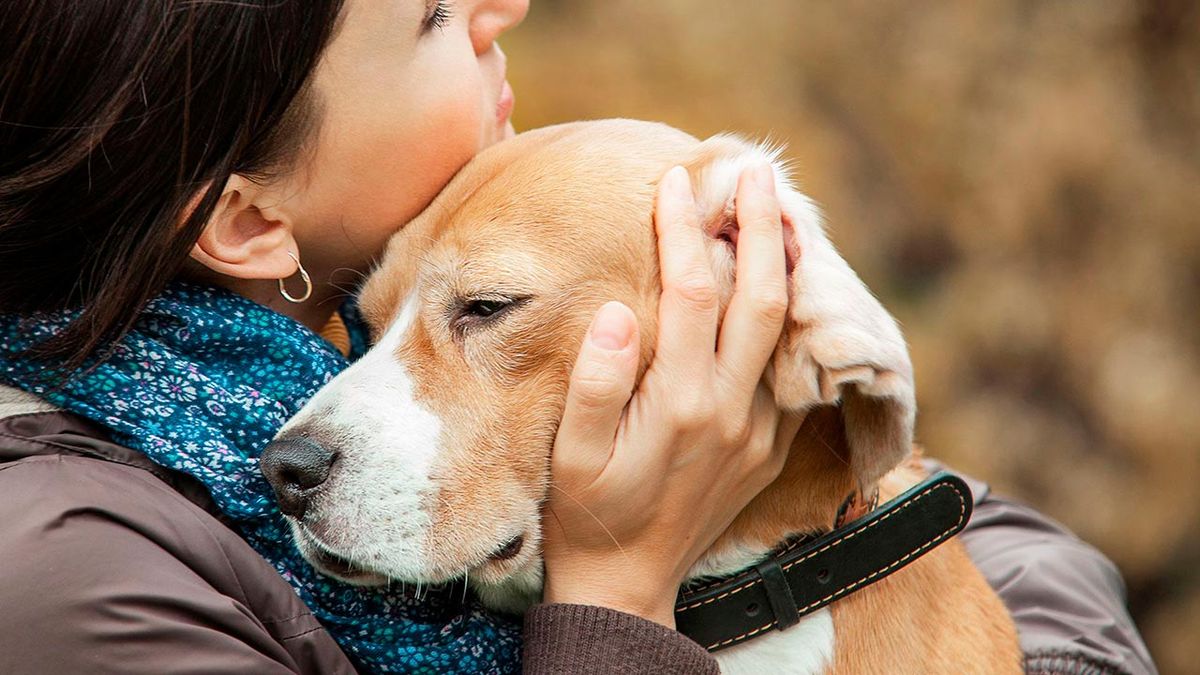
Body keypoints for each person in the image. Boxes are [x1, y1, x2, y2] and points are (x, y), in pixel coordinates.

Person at [0, 1, 1155, 673]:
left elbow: (999, 546)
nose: (501, 4)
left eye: (480, 309)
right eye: (433, 17)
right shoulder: (71, 576)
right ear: (250, 219)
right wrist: (616, 584)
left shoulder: (392, 298)